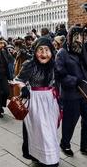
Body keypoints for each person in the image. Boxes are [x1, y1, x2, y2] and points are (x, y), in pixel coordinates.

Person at [55, 3, 87, 158]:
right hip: (71, 94)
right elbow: (60, 74)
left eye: (83, 37)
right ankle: (65, 144)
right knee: (70, 121)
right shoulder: (62, 53)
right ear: (71, 37)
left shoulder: (82, 48)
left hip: (85, 92)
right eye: (79, 36)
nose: (82, 39)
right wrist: (75, 81)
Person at [16, 37, 60, 167]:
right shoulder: (29, 64)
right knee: (39, 129)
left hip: (50, 99)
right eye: (40, 50)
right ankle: (40, 156)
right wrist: (23, 87)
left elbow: (62, 77)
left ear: (51, 52)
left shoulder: (54, 64)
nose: (44, 54)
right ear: (35, 51)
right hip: (35, 100)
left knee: (50, 129)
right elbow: (18, 79)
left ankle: (51, 156)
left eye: (47, 50)